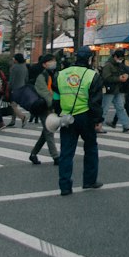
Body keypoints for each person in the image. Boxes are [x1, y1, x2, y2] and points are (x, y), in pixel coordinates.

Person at [54, 45, 104, 195]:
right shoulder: (92, 75)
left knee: (66, 152)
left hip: (66, 116)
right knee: (90, 148)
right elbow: (95, 101)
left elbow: (56, 98)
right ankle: (89, 180)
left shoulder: (61, 74)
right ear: (90, 59)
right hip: (85, 115)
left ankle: (64, 185)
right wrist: (97, 120)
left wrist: (60, 113)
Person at [28, 53, 60, 166]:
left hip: (51, 107)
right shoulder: (41, 77)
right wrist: (54, 104)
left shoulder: (54, 74)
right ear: (44, 64)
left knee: (45, 133)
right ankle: (56, 157)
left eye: (54, 61)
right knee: (49, 131)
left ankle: (33, 154)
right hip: (44, 107)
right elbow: (45, 94)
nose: (53, 63)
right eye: (50, 62)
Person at [101, 47, 129, 131]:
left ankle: (126, 125)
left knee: (120, 108)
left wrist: (125, 75)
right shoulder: (108, 65)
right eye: (119, 58)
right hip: (110, 90)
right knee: (104, 108)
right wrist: (119, 78)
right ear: (115, 57)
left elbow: (122, 72)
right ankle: (98, 125)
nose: (120, 60)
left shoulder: (118, 65)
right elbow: (106, 77)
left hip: (118, 89)